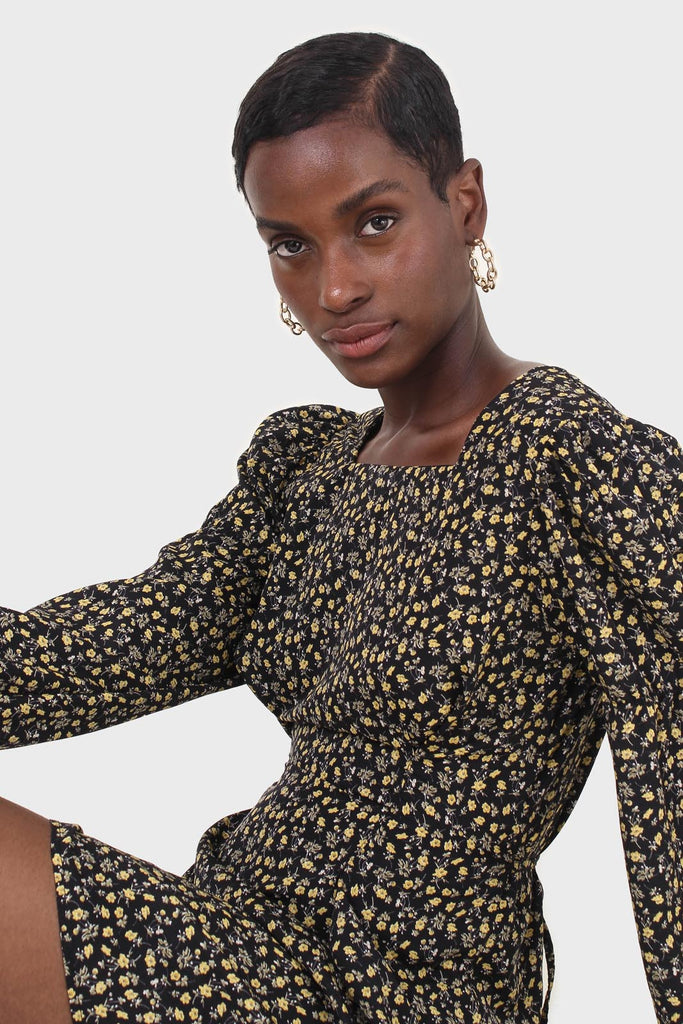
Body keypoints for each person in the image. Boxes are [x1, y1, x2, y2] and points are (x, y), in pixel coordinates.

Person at [0, 29, 680, 1024]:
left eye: (374, 223)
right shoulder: (304, 472)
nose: (334, 289)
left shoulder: (569, 460)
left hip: (399, 988)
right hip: (239, 930)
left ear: (465, 203)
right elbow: (90, 654)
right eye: (291, 245)